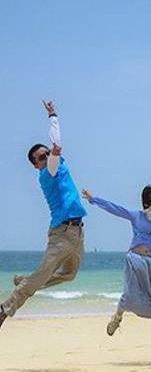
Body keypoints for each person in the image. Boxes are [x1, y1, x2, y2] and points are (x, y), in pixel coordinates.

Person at [1, 101, 86, 331]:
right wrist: (54, 150)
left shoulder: (59, 164)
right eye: (42, 156)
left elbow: (56, 143)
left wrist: (53, 115)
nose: (47, 155)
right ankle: (5, 309)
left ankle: (26, 282)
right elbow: (55, 152)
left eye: (47, 153)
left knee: (69, 274)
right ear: (36, 165)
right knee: (40, 277)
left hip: (78, 232)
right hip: (61, 233)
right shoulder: (47, 174)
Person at [82, 183, 151, 342]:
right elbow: (115, 209)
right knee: (130, 293)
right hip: (135, 259)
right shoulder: (137, 216)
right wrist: (93, 199)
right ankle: (117, 317)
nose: (148, 204)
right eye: (146, 201)